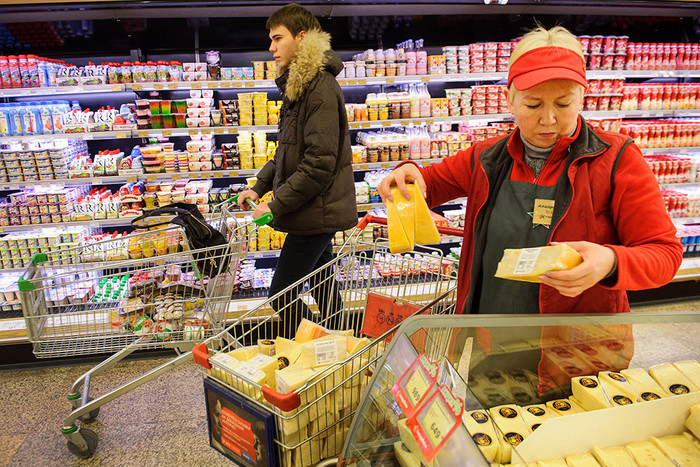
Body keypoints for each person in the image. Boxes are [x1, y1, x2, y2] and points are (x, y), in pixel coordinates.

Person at [378, 25, 683, 316]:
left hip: (578, 348)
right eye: (534, 105)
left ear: (581, 98)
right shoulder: (486, 158)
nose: (548, 119)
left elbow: (664, 255)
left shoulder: (616, 159)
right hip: (488, 337)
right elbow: (426, 183)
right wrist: (406, 172)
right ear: (510, 99)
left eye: (563, 104)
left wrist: (612, 261)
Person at [237, 3, 357, 336]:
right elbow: (287, 152)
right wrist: (258, 187)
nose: (271, 48)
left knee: (281, 294)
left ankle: (316, 346)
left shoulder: (318, 87)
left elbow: (319, 163)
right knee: (323, 288)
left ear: (301, 38)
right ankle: (338, 347)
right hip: (312, 209)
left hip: (315, 212)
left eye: (278, 38)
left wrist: (274, 205)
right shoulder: (298, 87)